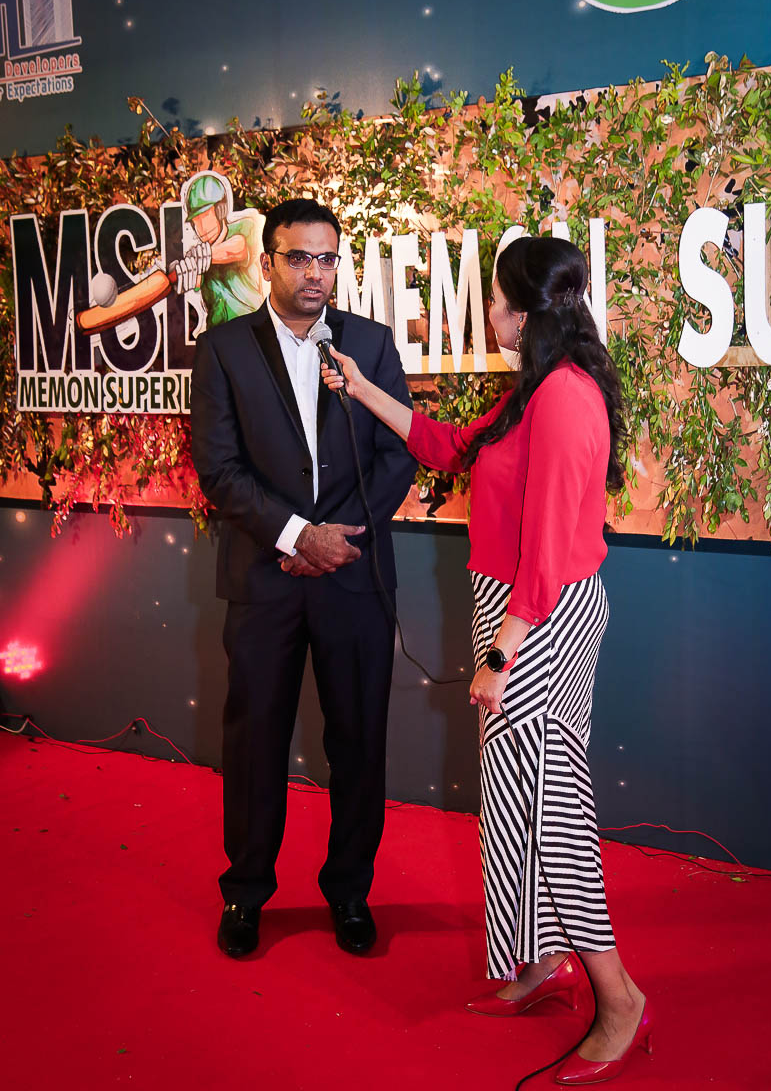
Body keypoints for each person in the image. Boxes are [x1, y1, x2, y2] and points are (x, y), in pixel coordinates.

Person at [321, 236, 651, 1085]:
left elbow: (549, 545)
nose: (490, 314)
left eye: (497, 301)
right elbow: (445, 446)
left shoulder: (565, 397)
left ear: (525, 311)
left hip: (537, 620)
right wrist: (362, 388)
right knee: (512, 809)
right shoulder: (531, 393)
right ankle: (540, 963)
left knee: (551, 813)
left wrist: (502, 652)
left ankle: (619, 997)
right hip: (516, 613)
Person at [190, 197, 417, 960]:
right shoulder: (223, 349)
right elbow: (219, 469)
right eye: (299, 257)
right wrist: (296, 536)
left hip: (354, 576)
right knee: (255, 744)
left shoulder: (370, 344)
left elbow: (397, 453)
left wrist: (339, 542)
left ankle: (350, 891)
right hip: (266, 578)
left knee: (358, 742)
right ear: (267, 263)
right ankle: (246, 893)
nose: (315, 272)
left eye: (327, 258)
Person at [174, 173, 264, 328]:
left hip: (250, 328)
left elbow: (238, 248)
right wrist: (181, 273)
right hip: (217, 332)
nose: (201, 228)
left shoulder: (246, 227)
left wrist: (204, 257)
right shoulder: (198, 254)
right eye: (196, 221)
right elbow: (193, 280)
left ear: (220, 210)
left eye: (205, 216)